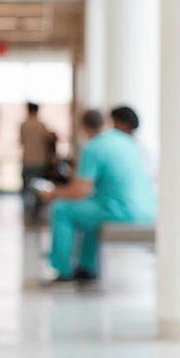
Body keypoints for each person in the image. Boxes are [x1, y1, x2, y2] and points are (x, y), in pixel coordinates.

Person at [38, 107, 156, 285]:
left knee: (62, 209)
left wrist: (53, 193)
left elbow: (80, 191)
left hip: (122, 212)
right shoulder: (129, 143)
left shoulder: (94, 147)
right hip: (149, 210)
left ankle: (63, 272)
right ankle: (87, 268)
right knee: (91, 211)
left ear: (84, 129)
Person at [19, 102, 56, 223]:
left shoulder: (24, 125)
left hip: (27, 160)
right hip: (40, 160)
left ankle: (27, 213)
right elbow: (49, 141)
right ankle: (36, 214)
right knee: (39, 188)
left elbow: (21, 141)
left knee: (26, 188)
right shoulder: (42, 125)